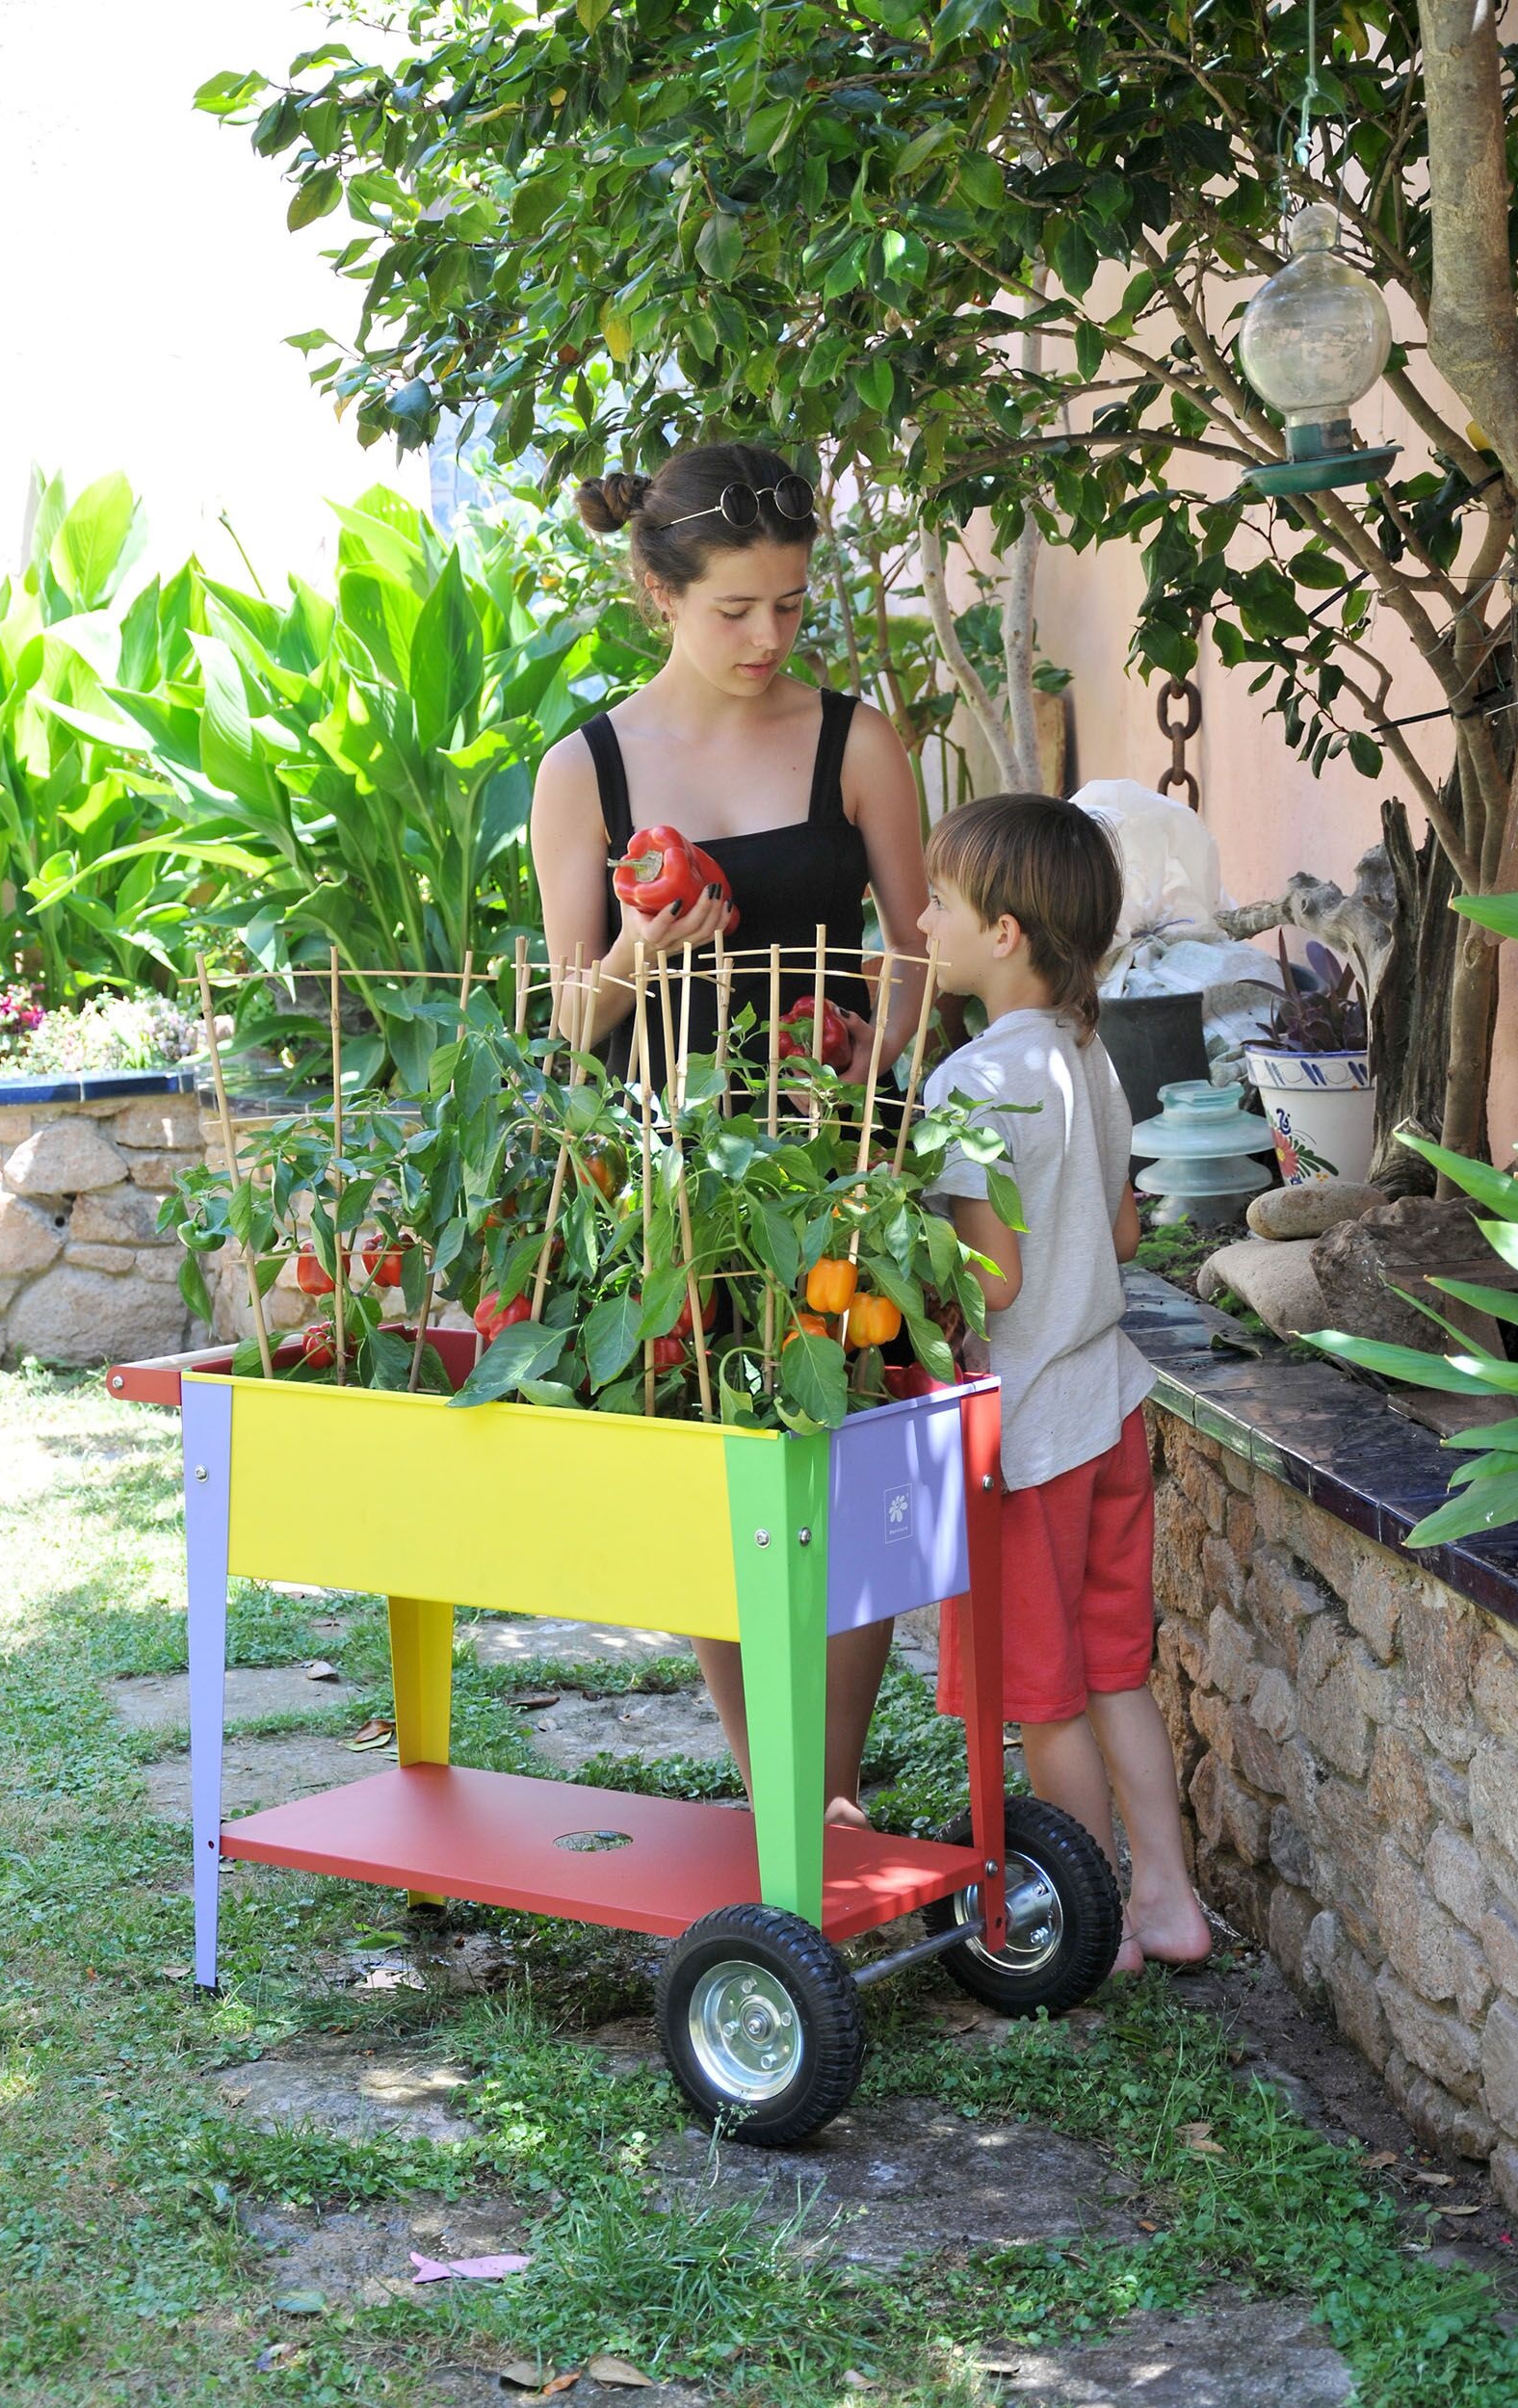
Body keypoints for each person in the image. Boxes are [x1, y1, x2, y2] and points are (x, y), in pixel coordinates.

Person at [530, 438, 929, 1824]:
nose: (770, 639)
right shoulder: (588, 770)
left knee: (851, 1465)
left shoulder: (854, 740)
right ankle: (783, 1805)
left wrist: (880, 1042)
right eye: (735, 610)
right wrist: (646, 954)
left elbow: (918, 954)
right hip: (677, 1179)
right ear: (658, 591)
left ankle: (831, 1796)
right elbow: (568, 1022)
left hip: (841, 1167)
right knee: (717, 1483)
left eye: (793, 606)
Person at [917, 793, 1211, 1976]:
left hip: (1029, 1430)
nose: (920, 919)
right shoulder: (1086, 1052)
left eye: (939, 902)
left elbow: (992, 1280)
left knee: (1043, 1698)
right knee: (1114, 1675)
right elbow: (1129, 1235)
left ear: (1002, 930)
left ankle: (1091, 1926)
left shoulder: (972, 1083)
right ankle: (1168, 1902)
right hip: (1110, 1404)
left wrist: (904, 1237)